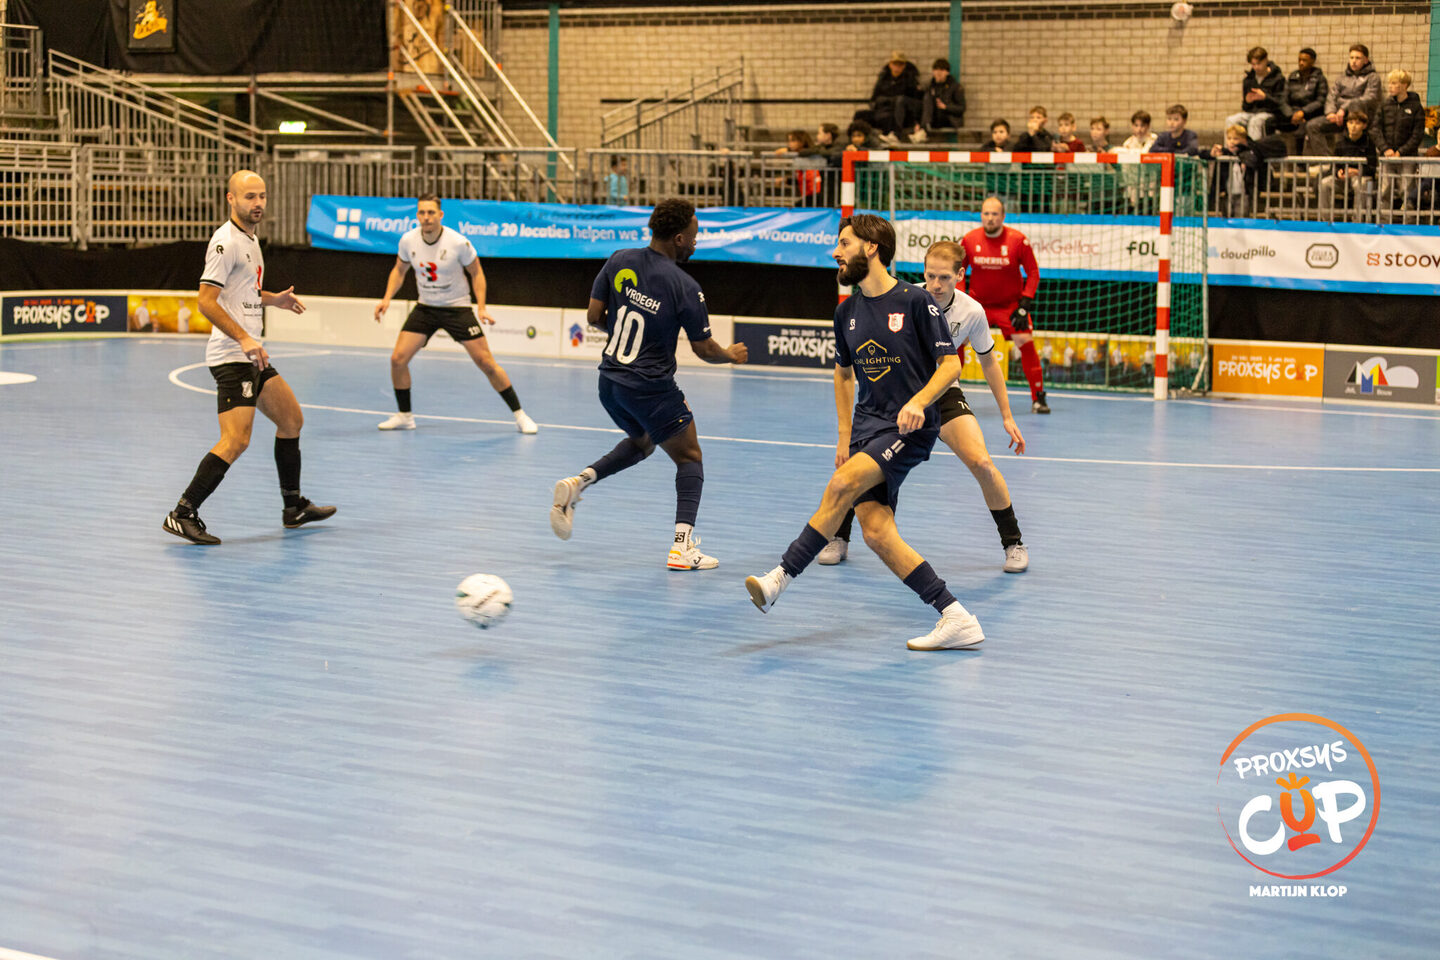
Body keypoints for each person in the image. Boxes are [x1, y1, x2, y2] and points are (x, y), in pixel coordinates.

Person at [744, 214, 981, 651]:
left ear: (871, 247)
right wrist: (843, 436)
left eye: (844, 243)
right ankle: (955, 616)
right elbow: (842, 374)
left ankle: (779, 577)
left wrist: (918, 402)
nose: (836, 251)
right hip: (866, 429)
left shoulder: (916, 301)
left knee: (841, 485)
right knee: (876, 532)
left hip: (909, 427)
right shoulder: (846, 311)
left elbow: (951, 365)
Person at [549, 198, 748, 570]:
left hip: (610, 384)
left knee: (643, 442)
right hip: (650, 388)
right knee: (690, 457)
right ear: (678, 238)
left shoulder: (619, 259)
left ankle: (579, 483)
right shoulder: (685, 285)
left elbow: (593, 315)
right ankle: (681, 548)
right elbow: (704, 348)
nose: (696, 242)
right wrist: (730, 355)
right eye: (693, 236)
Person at [817, 240, 1029, 573]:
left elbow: (988, 362)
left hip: (941, 394)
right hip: (897, 395)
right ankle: (839, 536)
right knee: (858, 464)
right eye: (930, 276)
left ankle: (1013, 542)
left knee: (982, 463)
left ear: (960, 275)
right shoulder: (907, 299)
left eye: (944, 277)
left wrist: (1007, 415)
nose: (936, 285)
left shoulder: (972, 312)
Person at [162, 170, 334, 545]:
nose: (257, 203)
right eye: (249, 197)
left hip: (251, 356)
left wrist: (274, 299)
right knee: (235, 440)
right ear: (231, 199)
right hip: (232, 356)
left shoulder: (251, 240)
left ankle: (293, 507)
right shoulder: (225, 242)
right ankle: (182, 513)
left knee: (291, 420)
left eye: (262, 196)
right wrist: (243, 338)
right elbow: (206, 301)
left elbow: (243, 292)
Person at [372, 194, 537, 434]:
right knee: (397, 360)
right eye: (422, 213)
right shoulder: (408, 240)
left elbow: (477, 273)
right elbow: (399, 270)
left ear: (440, 215)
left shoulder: (458, 242)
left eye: (431, 212)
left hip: (457, 308)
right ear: (417, 215)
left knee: (486, 363)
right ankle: (405, 416)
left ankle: (520, 415)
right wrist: (386, 298)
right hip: (426, 307)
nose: (426, 217)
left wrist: (481, 307)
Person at [963, 197, 1048, 413]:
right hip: (978, 306)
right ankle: (948, 393)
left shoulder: (1018, 240)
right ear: (981, 215)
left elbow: (1033, 273)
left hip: (1010, 306)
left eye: (994, 214)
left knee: (1025, 341)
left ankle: (1038, 398)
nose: (990, 218)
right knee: (955, 341)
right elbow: (958, 271)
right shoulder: (969, 240)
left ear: (1003, 216)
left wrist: (1024, 303)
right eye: (986, 213)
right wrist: (961, 299)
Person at [1305, 43, 1381, 154]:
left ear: (1365, 60)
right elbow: (1332, 96)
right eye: (1352, 57)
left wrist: (1343, 108)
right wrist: (1331, 112)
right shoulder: (1342, 78)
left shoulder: (1372, 77)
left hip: (1360, 117)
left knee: (1356, 105)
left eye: (1358, 58)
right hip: (1339, 116)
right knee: (1312, 126)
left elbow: (1370, 98)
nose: (1354, 61)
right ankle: (1327, 160)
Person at [1372, 69, 1424, 208]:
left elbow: (1417, 134)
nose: (1390, 86)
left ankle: (1409, 220)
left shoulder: (1416, 107)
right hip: (1387, 156)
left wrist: (1401, 151)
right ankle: (1383, 219)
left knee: (1407, 190)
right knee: (1385, 189)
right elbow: (1375, 129)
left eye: (1394, 83)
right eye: (1390, 83)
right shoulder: (1384, 105)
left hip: (1407, 157)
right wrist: (1385, 149)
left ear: (1404, 85)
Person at [1317, 110, 1377, 212]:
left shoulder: (1369, 143)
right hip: (1343, 179)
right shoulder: (1340, 143)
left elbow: (1372, 168)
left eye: (1357, 123)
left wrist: (1357, 171)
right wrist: (1338, 172)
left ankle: (1357, 219)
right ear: (1347, 124)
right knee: (1324, 183)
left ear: (1364, 126)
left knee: (1360, 184)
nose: (1353, 126)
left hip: (1361, 177)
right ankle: (1325, 219)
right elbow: (1334, 166)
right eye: (1351, 123)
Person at [1226, 46, 1286, 141]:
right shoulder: (1249, 80)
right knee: (1231, 120)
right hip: (1252, 112)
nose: (1256, 67)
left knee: (1255, 121)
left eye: (1258, 64)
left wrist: (1265, 97)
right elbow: (1245, 107)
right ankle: (1231, 148)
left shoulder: (1277, 78)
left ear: (1265, 60)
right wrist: (1247, 101)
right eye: (1253, 64)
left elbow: (1281, 103)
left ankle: (1254, 149)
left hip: (1270, 113)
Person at [863, 50, 923, 144]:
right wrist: (887, 102)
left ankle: (896, 134)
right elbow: (874, 99)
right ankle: (860, 141)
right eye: (895, 64)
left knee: (899, 102)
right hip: (883, 110)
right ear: (890, 64)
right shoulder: (883, 79)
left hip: (902, 115)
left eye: (900, 64)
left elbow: (915, 102)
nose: (897, 67)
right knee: (860, 115)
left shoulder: (910, 80)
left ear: (904, 66)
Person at [1280, 48, 1329, 151]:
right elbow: (1284, 98)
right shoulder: (1293, 77)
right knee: (1271, 121)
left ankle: (1299, 159)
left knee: (1301, 128)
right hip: (1292, 113)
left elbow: (1320, 101)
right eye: (1299, 60)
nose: (1301, 63)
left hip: (1310, 113)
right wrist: (1291, 114)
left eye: (1304, 60)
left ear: (1312, 61)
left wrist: (1303, 112)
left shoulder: (1319, 78)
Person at [920, 58, 965, 134]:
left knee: (929, 98)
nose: (938, 72)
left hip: (949, 118)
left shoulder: (955, 87)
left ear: (947, 72)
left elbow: (962, 108)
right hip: (935, 118)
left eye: (942, 70)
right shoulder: (930, 86)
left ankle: (923, 130)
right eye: (936, 69)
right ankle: (923, 128)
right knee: (927, 97)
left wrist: (946, 107)